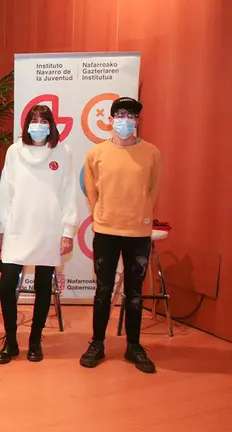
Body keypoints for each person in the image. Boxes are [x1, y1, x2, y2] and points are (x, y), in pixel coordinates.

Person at [80, 97, 161, 374]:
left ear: (138, 120)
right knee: (103, 290)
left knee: (135, 293)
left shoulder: (152, 153)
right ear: (111, 119)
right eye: (120, 114)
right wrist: (99, 213)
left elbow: (153, 189)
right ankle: (97, 343)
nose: (125, 119)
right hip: (106, 230)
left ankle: (134, 346)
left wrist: (142, 215)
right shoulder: (96, 153)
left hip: (138, 231)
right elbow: (92, 190)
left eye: (132, 115)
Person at [0, 105, 77, 364]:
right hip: (18, 227)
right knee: (7, 285)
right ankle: (11, 340)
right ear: (26, 123)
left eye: (43, 120)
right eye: (33, 119)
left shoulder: (62, 152)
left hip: (49, 229)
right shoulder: (15, 152)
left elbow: (69, 192)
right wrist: (2, 226)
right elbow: (6, 190)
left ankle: (35, 340)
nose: (38, 124)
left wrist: (67, 231)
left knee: (43, 287)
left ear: (51, 125)